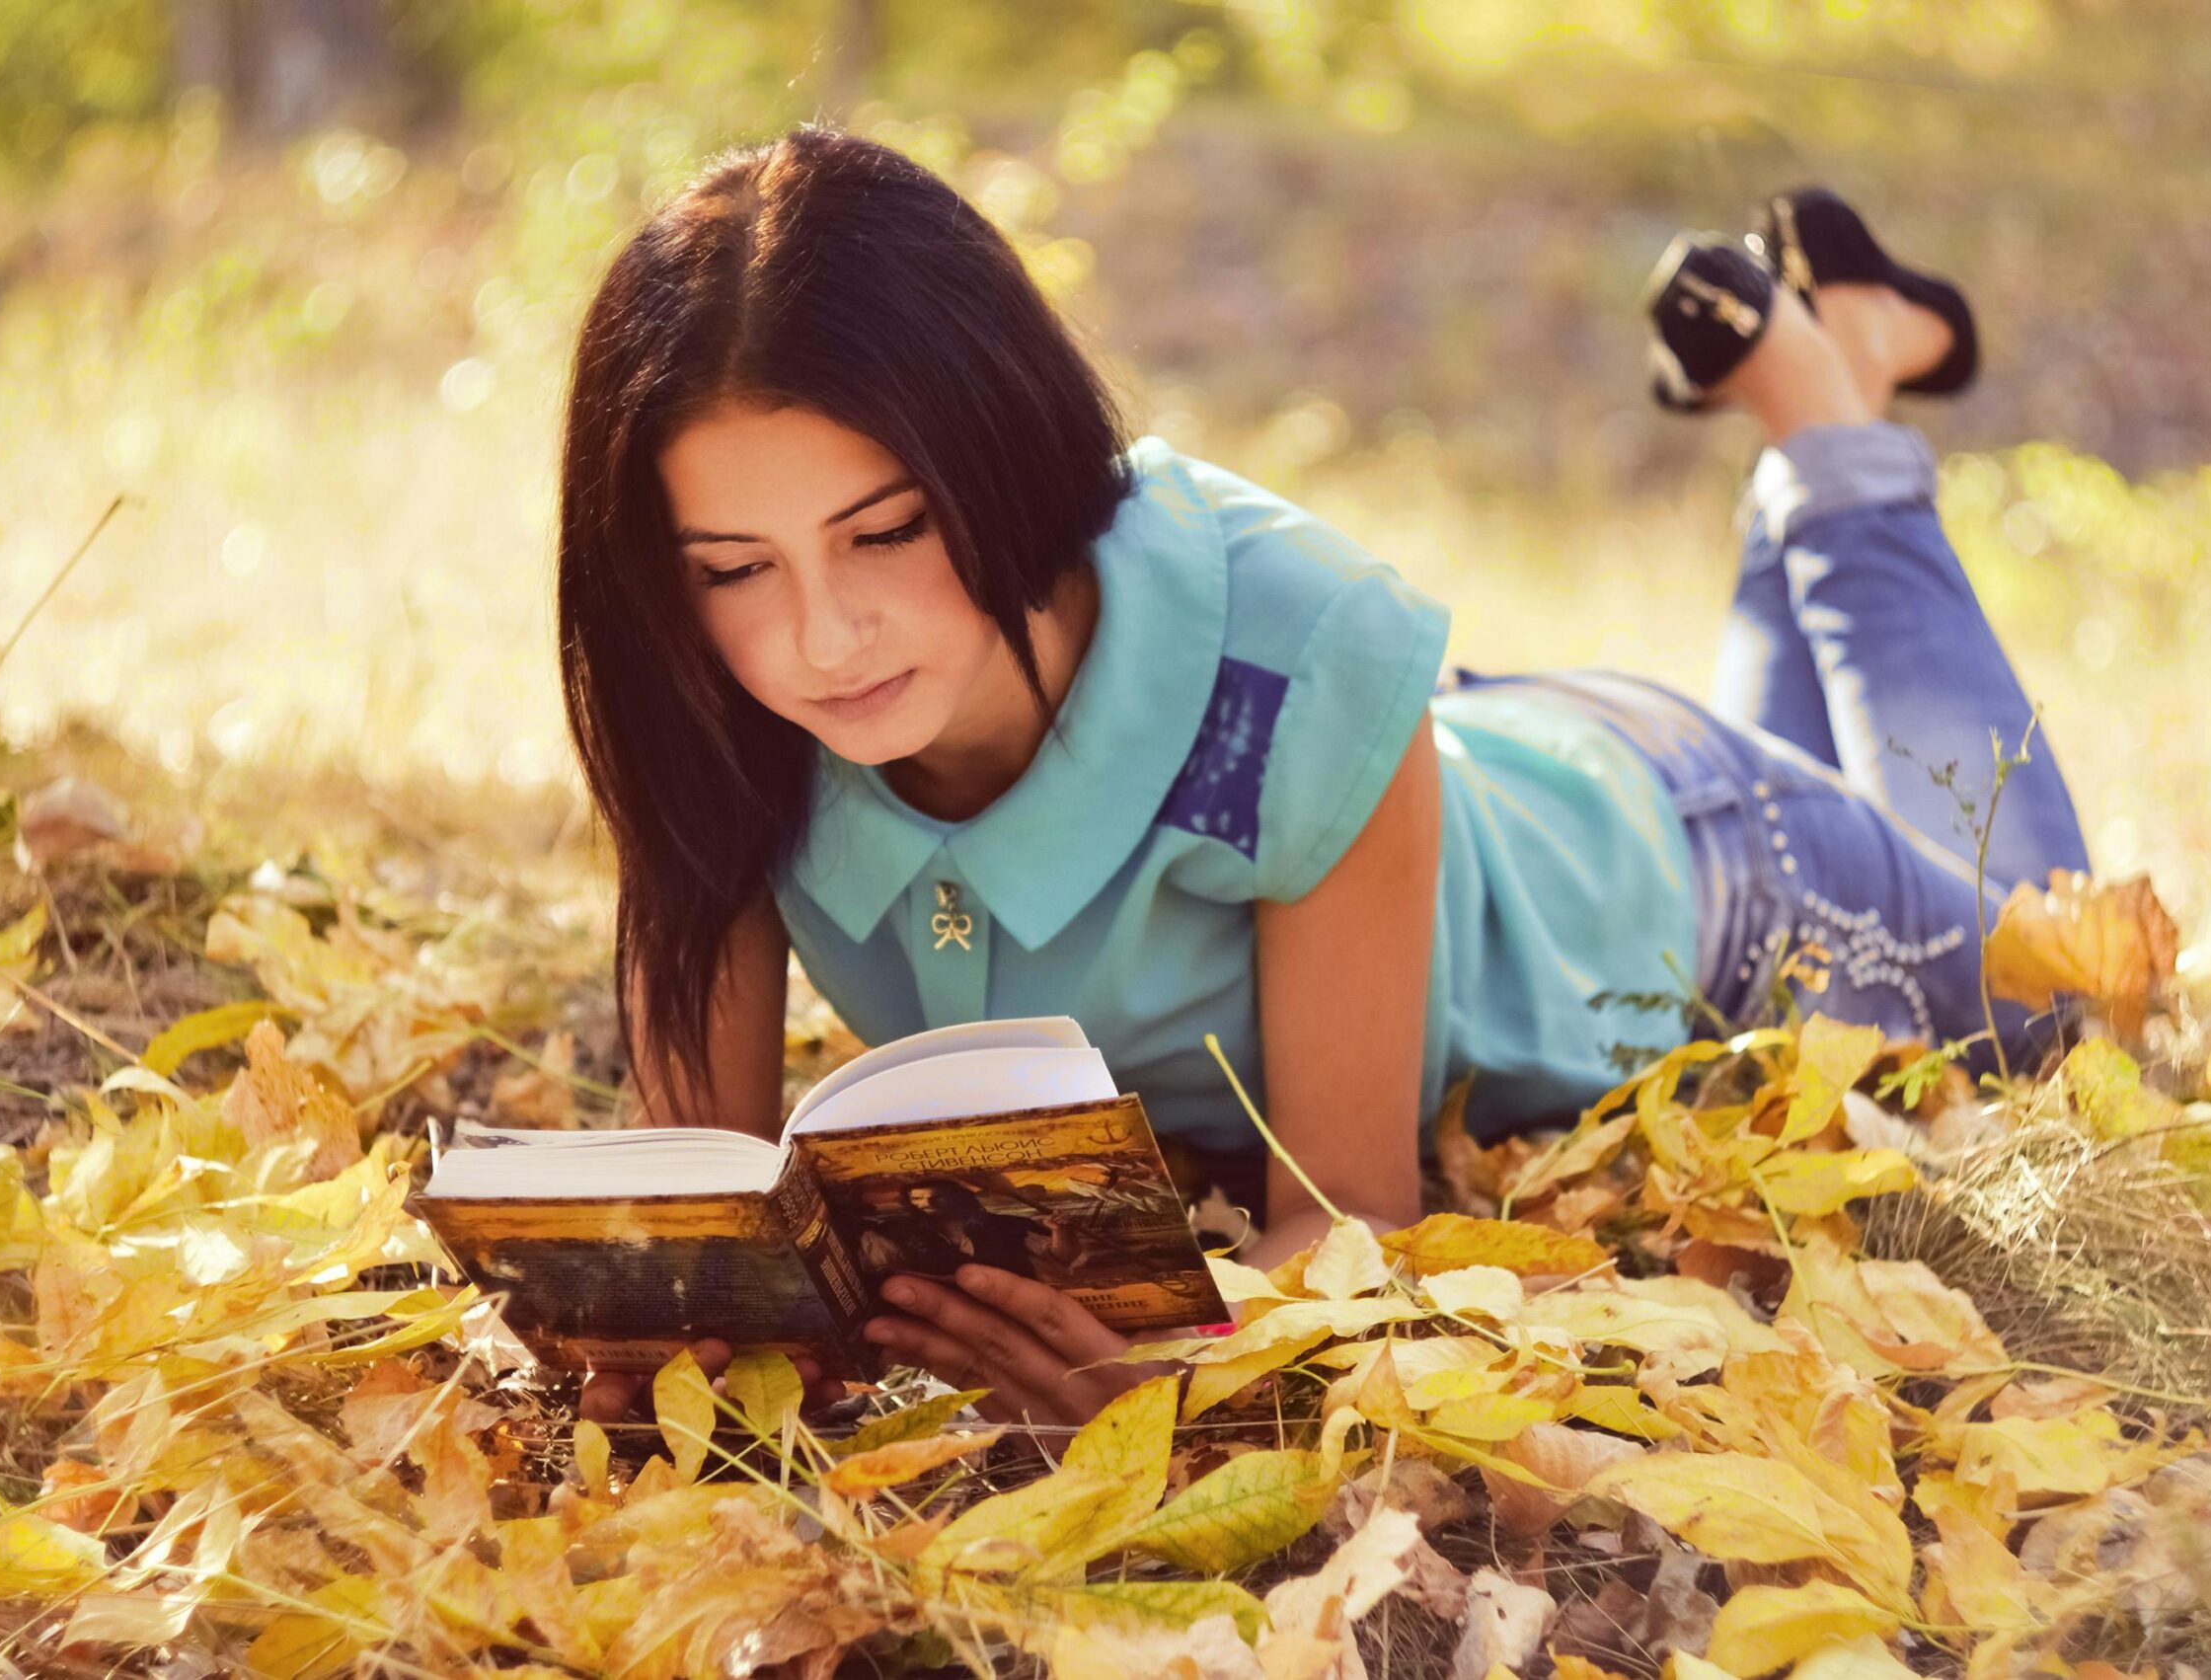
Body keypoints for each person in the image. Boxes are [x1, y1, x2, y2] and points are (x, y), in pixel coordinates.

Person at [557, 131, 2089, 1427]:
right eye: (735, 564)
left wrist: (1185, 1375)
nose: (820, 637)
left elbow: (1343, 1217)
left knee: (2051, 980)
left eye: (886, 531)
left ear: (1003, 452)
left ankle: (1829, 422)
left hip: (1702, 870)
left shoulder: (1300, 655)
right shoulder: (708, 691)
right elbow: (704, 1213)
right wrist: (664, 1333)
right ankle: (1814, 408)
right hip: (1463, 774)